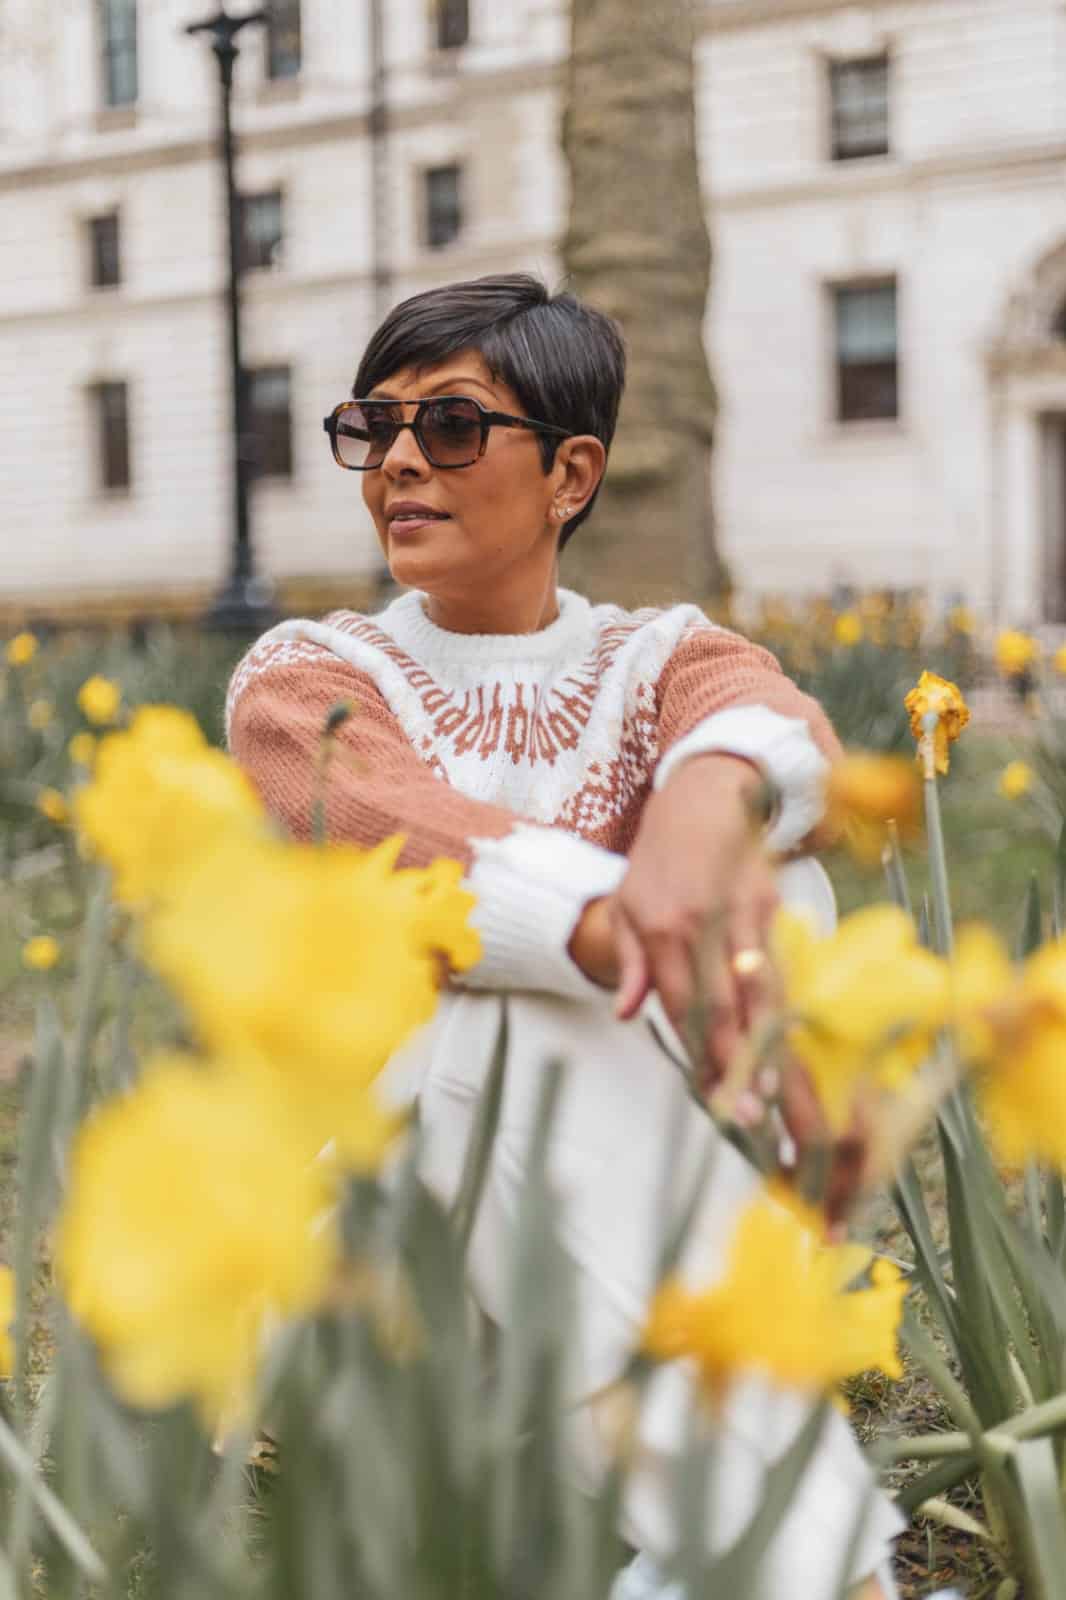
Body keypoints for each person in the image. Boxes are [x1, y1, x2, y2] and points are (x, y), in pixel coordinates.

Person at [226, 274, 902, 1599]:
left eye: (451, 426)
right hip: (386, 1270)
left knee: (764, 869)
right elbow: (382, 825)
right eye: (375, 427)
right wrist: (608, 923)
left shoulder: (659, 658)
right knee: (499, 1017)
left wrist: (698, 815)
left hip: (622, 1241)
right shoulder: (308, 676)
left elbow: (781, 743)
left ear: (571, 474)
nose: (401, 461)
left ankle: (731, 1552)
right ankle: (824, 1571)